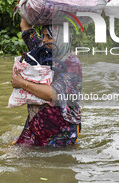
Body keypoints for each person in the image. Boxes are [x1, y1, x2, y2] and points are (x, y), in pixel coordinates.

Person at [11, 18, 82, 147]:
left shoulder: (71, 63)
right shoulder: (41, 51)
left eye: (49, 36)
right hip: (35, 125)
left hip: (60, 130)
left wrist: (22, 84)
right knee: (10, 153)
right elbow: (26, 26)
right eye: (43, 35)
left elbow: (53, 94)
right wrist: (26, 1)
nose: (44, 40)